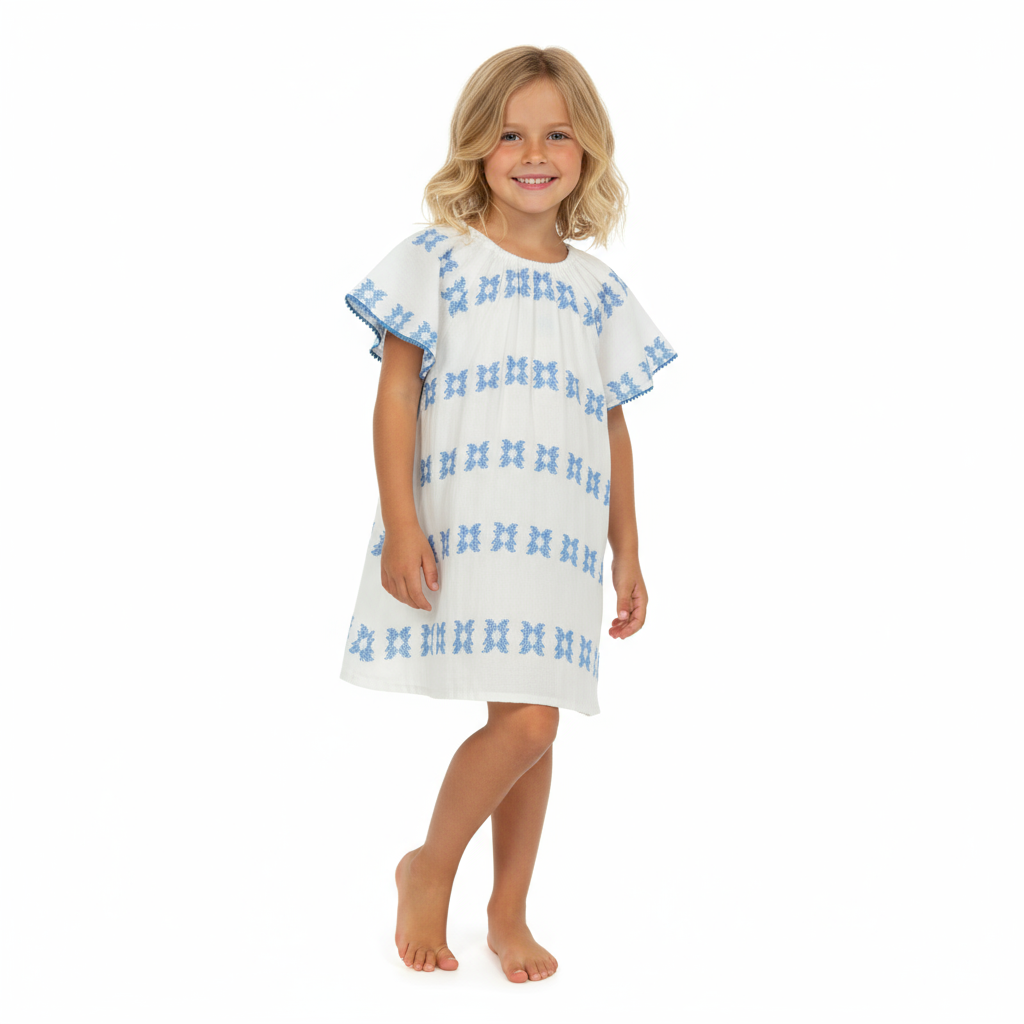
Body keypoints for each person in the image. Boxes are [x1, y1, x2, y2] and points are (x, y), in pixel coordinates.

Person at [339, 45, 678, 982]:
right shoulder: (435, 260)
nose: (534, 154)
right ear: (476, 147)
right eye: (510, 134)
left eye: (557, 134)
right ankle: (429, 868)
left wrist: (628, 549)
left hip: (560, 533)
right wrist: (402, 522)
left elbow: (612, 426)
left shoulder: (598, 290)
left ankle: (509, 908)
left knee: (538, 720)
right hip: (470, 517)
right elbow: (396, 395)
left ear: (587, 149)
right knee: (527, 723)